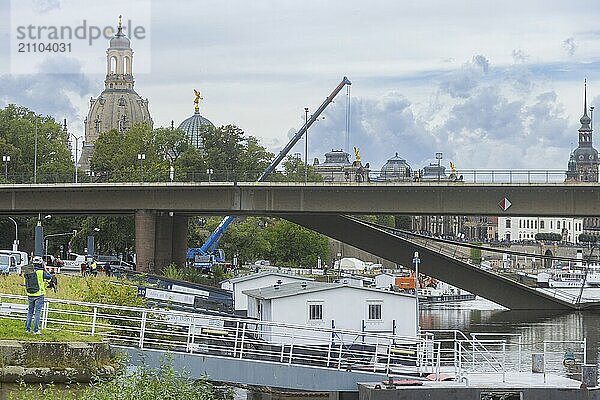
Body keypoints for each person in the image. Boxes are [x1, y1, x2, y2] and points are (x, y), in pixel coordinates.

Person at [24, 256, 52, 334]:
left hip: (30, 294)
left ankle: (27, 329)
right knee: (37, 312)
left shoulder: (28, 271)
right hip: (39, 294)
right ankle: (35, 330)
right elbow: (50, 277)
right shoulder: (41, 272)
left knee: (30, 312)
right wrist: (45, 268)